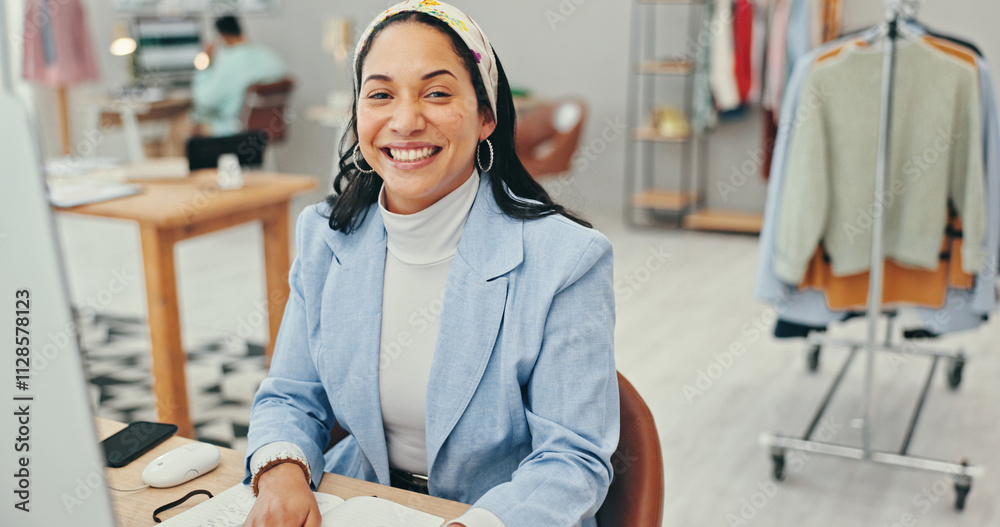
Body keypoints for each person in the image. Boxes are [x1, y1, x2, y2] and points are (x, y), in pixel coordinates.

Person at [243, 2, 619, 526]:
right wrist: (282, 471)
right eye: (380, 95)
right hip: (357, 504)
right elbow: (290, 394)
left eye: (437, 92)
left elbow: (573, 459)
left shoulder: (567, 260)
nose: (405, 121)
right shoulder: (325, 236)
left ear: (486, 115)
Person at [190, 15, 286, 136]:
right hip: (266, 128)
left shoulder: (229, 63)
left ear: (223, 36)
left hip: (232, 129)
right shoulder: (270, 58)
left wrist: (204, 65)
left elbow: (204, 102)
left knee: (180, 129)